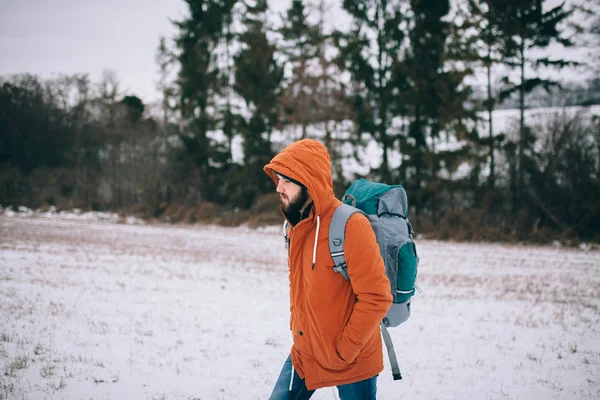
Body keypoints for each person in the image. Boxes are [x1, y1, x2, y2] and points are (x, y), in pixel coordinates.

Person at [263, 139, 393, 400]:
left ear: (308, 181)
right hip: (306, 352)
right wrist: (298, 330)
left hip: (352, 361)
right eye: (278, 179)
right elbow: (298, 285)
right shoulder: (294, 227)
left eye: (286, 180)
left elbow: (377, 297)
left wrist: (345, 350)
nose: (279, 187)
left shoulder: (351, 225)